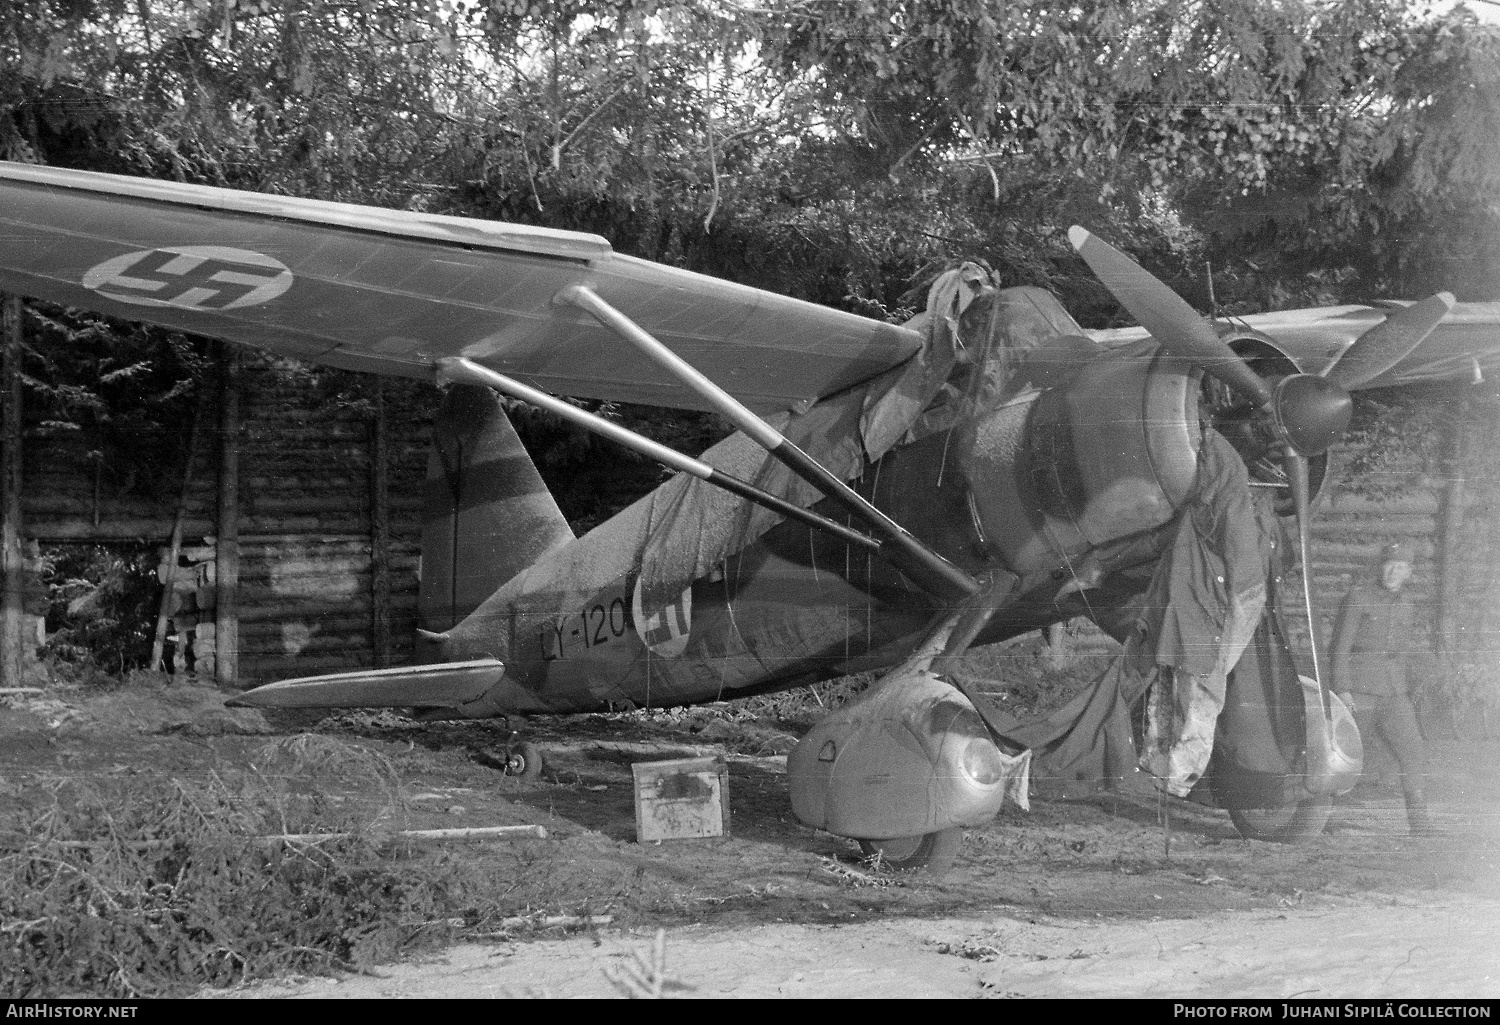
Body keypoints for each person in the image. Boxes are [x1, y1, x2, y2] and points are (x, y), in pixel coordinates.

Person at [1134, 428, 1281, 797]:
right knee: (1184, 684)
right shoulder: (1219, 501)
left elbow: (1245, 569)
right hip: (1199, 606)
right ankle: (1164, 768)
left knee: (1197, 686)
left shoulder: (1230, 500)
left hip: (1215, 608)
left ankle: (1175, 772)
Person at [1329, 543, 1434, 836]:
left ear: (1409, 573)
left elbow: (1400, 652)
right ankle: (1322, 819)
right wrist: (1343, 690)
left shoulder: (1407, 604)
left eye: (1400, 567)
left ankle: (1420, 825)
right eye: (1389, 564)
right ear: (1380, 566)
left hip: (1393, 693)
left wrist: (1405, 689)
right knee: (1344, 755)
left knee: (1413, 750)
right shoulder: (1358, 598)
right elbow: (1339, 649)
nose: (1393, 572)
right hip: (1359, 691)